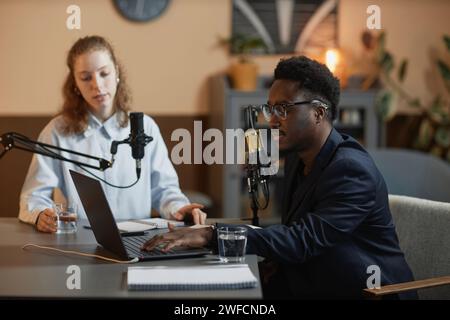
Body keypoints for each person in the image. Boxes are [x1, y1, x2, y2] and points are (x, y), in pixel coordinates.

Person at [141, 56, 417, 299]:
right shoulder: (298, 157)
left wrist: (211, 234)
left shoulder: (351, 170)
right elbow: (296, 236)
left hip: (366, 291)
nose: (272, 120)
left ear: (319, 113)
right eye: (271, 109)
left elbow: (302, 241)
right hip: (312, 279)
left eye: (283, 109)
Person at [19, 35, 206, 233]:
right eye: (85, 77)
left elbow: (165, 190)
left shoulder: (145, 128)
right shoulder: (56, 131)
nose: (97, 85)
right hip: (79, 241)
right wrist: (41, 214)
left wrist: (180, 209)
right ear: (75, 82)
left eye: (104, 73)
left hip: (139, 239)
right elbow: (33, 196)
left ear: (116, 72)